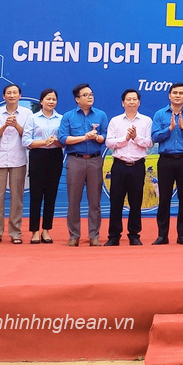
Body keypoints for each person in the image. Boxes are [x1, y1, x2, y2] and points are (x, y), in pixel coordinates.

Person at [58, 83, 108, 247]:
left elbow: (105, 137)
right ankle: (74, 235)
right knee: (74, 200)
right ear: (77, 99)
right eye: (85, 95)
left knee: (95, 201)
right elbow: (63, 139)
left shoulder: (100, 115)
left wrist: (96, 137)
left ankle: (94, 235)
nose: (90, 97)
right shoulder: (68, 116)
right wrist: (84, 137)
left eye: (91, 94)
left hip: (95, 160)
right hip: (75, 160)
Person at [151, 82, 183, 245]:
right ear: (169, 96)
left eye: (181, 93)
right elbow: (155, 137)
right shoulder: (160, 114)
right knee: (164, 198)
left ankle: (182, 234)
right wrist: (169, 129)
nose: (178, 95)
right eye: (175, 93)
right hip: (166, 160)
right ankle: (162, 235)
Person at [0, 84, 32, 244]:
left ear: (20, 95)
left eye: (15, 93)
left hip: (18, 159)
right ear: (3, 96)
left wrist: (16, 125)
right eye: (9, 93)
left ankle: (15, 233)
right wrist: (5, 125)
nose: (12, 95)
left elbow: (28, 136)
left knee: (17, 198)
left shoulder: (27, 113)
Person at [105, 89, 153, 246]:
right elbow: (109, 143)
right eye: (128, 99)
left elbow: (149, 143)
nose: (131, 102)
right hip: (119, 165)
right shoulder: (115, 121)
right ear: (122, 103)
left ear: (139, 102)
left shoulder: (146, 121)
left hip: (137, 166)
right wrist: (125, 139)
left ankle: (134, 234)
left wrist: (136, 137)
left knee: (136, 201)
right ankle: (114, 235)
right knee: (116, 201)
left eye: (134, 99)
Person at [22, 89, 63, 244]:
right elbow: (26, 141)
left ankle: (46, 230)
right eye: (48, 99)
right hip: (37, 155)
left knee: (51, 194)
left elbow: (64, 141)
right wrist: (44, 142)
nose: (51, 102)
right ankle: (34, 231)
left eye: (53, 99)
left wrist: (56, 141)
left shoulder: (61, 118)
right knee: (36, 194)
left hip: (55, 156)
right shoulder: (33, 118)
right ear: (41, 101)